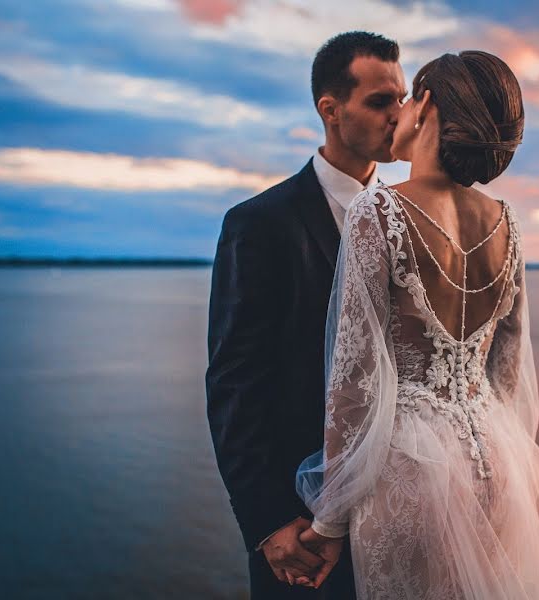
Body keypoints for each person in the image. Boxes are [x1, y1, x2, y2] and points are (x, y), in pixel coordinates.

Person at [293, 50, 539, 599]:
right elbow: (508, 378)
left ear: (429, 106)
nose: (399, 112)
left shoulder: (379, 211)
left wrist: (329, 520)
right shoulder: (506, 222)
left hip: (410, 472)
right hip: (498, 462)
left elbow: (354, 384)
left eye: (410, 97)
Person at [205, 31, 407, 599]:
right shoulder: (259, 223)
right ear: (330, 109)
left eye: (401, 99)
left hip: (403, 510)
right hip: (303, 529)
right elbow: (234, 380)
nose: (398, 115)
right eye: (378, 101)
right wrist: (268, 521)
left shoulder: (413, 219)